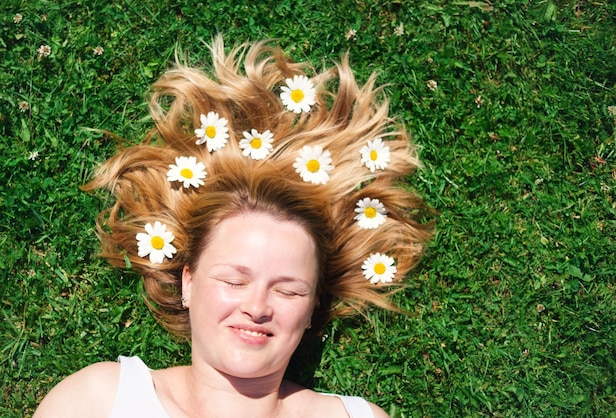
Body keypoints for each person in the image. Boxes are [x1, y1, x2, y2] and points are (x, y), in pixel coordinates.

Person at [34, 35, 433, 418]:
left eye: (287, 290)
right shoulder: (100, 401)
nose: (257, 308)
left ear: (312, 309)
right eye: (234, 281)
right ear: (188, 282)